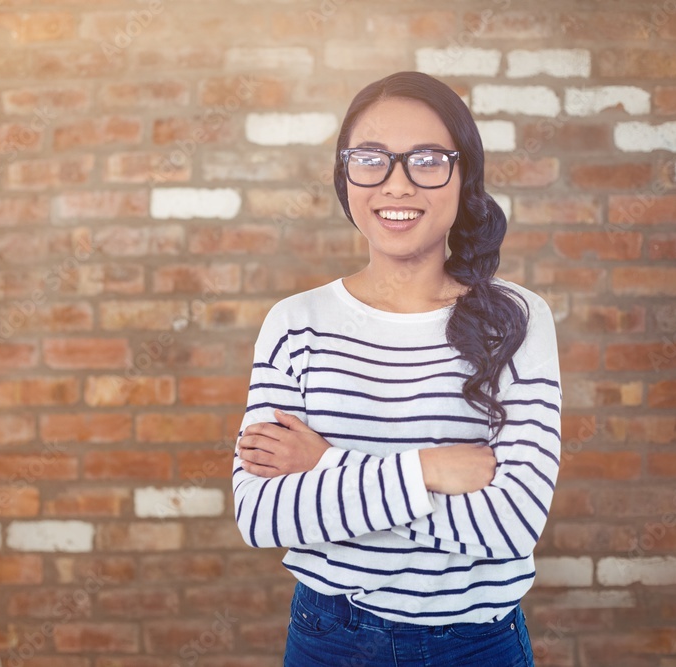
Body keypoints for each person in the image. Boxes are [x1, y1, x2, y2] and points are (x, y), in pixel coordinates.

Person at [232, 71, 561, 667]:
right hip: (326, 639)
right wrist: (430, 469)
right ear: (345, 175)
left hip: (475, 646)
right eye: (372, 159)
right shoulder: (294, 323)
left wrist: (326, 464)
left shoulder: (516, 320)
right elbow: (263, 513)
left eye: (429, 159)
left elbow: (511, 526)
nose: (397, 184)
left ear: (464, 176)